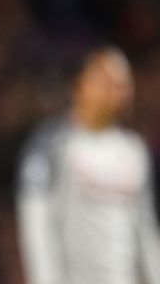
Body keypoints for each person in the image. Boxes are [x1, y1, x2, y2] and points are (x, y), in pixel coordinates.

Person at [17, 46, 160, 284]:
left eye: (120, 83)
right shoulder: (52, 143)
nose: (113, 90)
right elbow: (36, 223)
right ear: (79, 85)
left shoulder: (134, 151)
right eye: (103, 80)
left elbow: (144, 227)